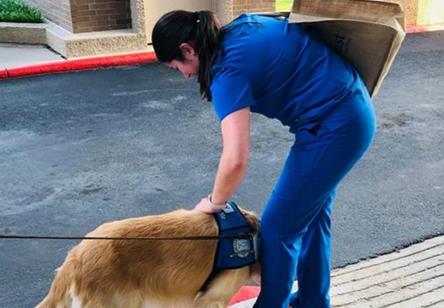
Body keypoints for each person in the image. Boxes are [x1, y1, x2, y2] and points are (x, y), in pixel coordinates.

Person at [152, 10, 376, 308]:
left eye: (177, 65)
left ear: (187, 49)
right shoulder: (240, 27)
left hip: (335, 129)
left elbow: (236, 158)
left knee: (277, 229)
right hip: (349, 111)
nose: (184, 74)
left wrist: (213, 202)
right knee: (311, 217)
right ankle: (312, 301)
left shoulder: (227, 72)